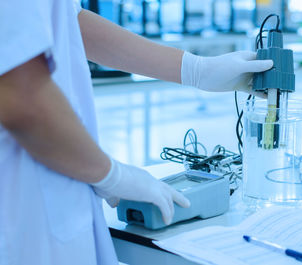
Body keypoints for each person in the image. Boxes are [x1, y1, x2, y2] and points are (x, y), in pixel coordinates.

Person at [0, 1, 273, 264]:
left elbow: (70, 22)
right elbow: (22, 97)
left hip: (53, 190)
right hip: (26, 207)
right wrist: (110, 174)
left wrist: (196, 69)